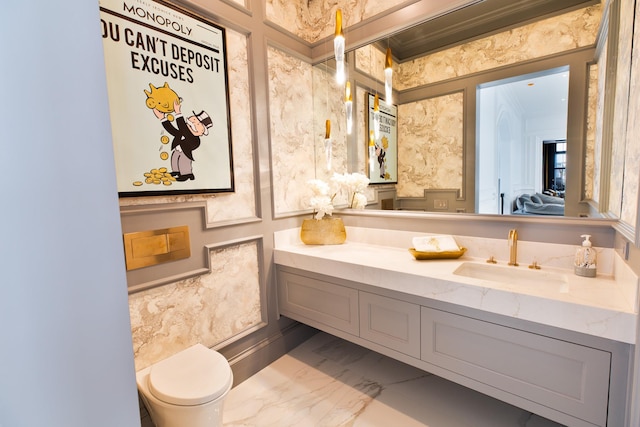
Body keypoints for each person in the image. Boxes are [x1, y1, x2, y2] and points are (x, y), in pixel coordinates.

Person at [153, 99, 212, 181]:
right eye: (193, 121)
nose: (193, 123)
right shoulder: (183, 131)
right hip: (178, 149)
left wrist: (178, 113)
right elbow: (172, 130)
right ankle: (176, 171)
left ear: (202, 132)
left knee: (183, 161)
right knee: (174, 158)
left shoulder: (195, 139)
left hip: (185, 152)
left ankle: (187, 174)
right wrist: (162, 118)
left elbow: (182, 127)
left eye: (198, 124)